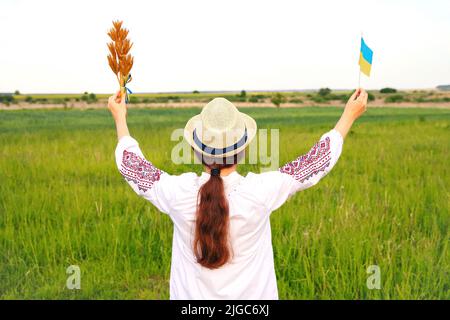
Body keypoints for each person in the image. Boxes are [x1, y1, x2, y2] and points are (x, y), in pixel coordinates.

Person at [108, 89, 368, 299]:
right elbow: (315, 162)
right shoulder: (260, 192)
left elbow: (132, 165)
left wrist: (120, 118)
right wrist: (348, 117)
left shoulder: (178, 193)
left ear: (196, 151)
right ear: (243, 150)